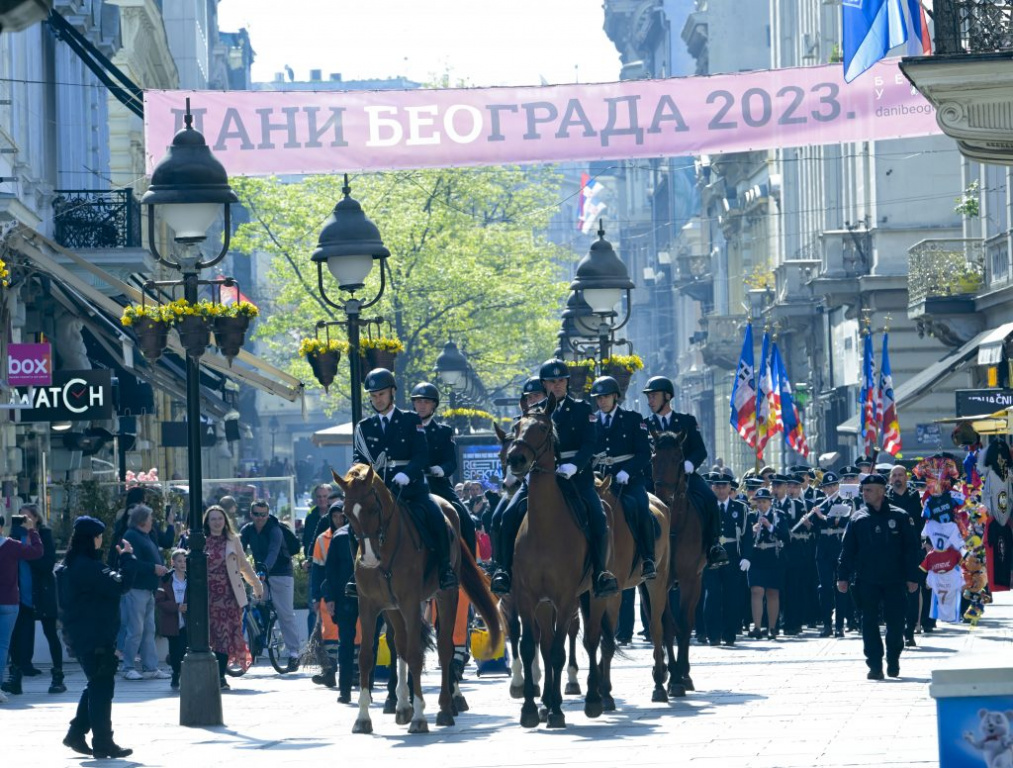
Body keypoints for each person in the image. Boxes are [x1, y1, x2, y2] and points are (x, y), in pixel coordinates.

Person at [491, 359, 619, 598]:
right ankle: (503, 571)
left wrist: (575, 465)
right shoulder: (534, 413)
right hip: (541, 479)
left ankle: (601, 573)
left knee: (598, 515)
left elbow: (590, 443)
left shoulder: (582, 409)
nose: (557, 385)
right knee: (506, 516)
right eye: (552, 381)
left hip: (576, 478)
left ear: (567, 382)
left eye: (561, 381)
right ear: (544, 384)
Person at [346, 368, 458, 596]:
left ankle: (445, 569)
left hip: (411, 489)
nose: (378, 400)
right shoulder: (364, 427)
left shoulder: (410, 420)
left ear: (392, 393)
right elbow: (359, 459)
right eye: (374, 395)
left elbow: (421, 455)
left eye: (382, 394)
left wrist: (407, 473)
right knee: (353, 525)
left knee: (436, 516)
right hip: (377, 491)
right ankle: (356, 574)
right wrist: (360, 477)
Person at [57, 516, 136, 758]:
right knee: (102, 687)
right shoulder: (89, 567)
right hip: (96, 636)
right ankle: (103, 742)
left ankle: (76, 733)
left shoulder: (67, 566)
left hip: (79, 634)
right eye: (100, 536)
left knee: (97, 683)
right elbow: (120, 585)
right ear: (93, 539)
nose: (102, 540)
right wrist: (127, 558)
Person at [837, 474, 921, 680]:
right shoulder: (858, 519)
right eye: (863, 490)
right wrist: (843, 577)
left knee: (895, 623)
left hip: (895, 579)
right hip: (867, 579)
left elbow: (912, 549)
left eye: (869, 490)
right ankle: (874, 664)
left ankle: (893, 659)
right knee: (868, 622)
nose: (864, 494)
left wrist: (913, 577)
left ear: (882, 491)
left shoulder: (900, 517)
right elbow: (847, 551)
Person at [641, 375, 728, 567]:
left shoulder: (686, 421)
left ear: (667, 397)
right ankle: (642, 552)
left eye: (654, 396)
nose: (650, 400)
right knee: (637, 503)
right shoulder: (644, 425)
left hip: (684, 476)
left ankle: (714, 545)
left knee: (709, 497)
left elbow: (700, 450)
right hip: (654, 479)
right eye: (648, 397)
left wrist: (689, 464)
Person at [590, 375, 656, 580]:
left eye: (606, 397)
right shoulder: (591, 422)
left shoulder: (632, 419)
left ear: (615, 397)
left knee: (640, 507)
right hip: (600, 478)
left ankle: (648, 558)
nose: (602, 401)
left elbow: (644, 453)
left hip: (629, 479)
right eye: (598, 398)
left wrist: (628, 471)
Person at [4, 504, 65, 695]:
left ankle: (57, 675)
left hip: (42, 592)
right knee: (16, 636)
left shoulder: (43, 534)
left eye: (27, 517)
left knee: (50, 633)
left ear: (36, 518)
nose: (23, 520)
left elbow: (47, 564)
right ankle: (17, 675)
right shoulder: (14, 536)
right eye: (19, 516)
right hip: (20, 593)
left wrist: (28, 552)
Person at [411, 381, 477, 556]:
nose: (422, 406)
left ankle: (470, 564)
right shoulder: (404, 430)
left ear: (434, 405)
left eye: (426, 402)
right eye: (418, 401)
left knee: (466, 519)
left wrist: (440, 469)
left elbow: (451, 462)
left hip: (437, 485)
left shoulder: (443, 431)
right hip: (410, 484)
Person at [206, 504, 263, 688]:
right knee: (210, 636)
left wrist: (256, 585)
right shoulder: (200, 540)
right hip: (207, 596)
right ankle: (209, 673)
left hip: (229, 596)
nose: (216, 522)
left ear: (225, 521)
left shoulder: (233, 540)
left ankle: (220, 676)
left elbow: (244, 565)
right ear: (207, 521)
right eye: (213, 519)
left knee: (225, 636)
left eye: (220, 518)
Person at [239, 500, 300, 671]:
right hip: (261, 574)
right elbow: (239, 551)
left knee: (285, 613)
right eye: (257, 514)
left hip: (281, 573)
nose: (260, 518)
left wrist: (264, 569)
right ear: (251, 514)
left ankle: (294, 654)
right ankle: (261, 632)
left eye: (263, 514)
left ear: (268, 514)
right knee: (253, 602)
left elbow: (273, 551)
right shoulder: (247, 530)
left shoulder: (275, 530)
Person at [120, 505, 171, 681]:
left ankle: (150, 667)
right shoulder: (131, 536)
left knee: (149, 629)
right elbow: (131, 563)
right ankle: (127, 667)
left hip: (147, 589)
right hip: (136, 589)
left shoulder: (145, 536)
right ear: (142, 520)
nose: (152, 521)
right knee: (136, 630)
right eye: (150, 518)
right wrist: (153, 568)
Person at [702, 473, 749, 645]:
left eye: (724, 486)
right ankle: (713, 635)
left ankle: (729, 634)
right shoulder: (706, 507)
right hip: (711, 557)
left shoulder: (740, 508)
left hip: (732, 557)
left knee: (731, 597)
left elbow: (747, 536)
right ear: (712, 488)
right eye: (717, 486)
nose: (721, 490)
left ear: (730, 488)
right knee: (712, 595)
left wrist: (747, 557)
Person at [0, 511, 42, 703]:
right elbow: (37, 551)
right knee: (3, 646)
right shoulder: (11, 546)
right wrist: (31, 529)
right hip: (9, 601)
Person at [323, 501, 359, 704]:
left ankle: (367, 686)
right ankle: (344, 689)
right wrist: (329, 598)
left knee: (370, 643)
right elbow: (330, 570)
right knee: (345, 642)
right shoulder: (340, 537)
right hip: (345, 596)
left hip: (373, 596)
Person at [809, 472, 854, 637]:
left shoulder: (845, 502)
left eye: (833, 485)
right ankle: (827, 624)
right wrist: (812, 518)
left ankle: (839, 625)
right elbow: (814, 527)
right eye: (827, 487)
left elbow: (841, 522)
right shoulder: (819, 503)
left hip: (839, 547)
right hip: (823, 549)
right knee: (825, 588)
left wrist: (823, 517)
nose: (830, 489)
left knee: (840, 586)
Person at [886, 465, 924, 647]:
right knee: (893, 593)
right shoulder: (884, 498)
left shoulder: (916, 497)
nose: (897, 478)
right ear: (890, 479)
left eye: (900, 475)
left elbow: (924, 521)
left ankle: (910, 631)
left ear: (906, 477)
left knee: (913, 591)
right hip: (890, 553)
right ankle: (896, 629)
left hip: (912, 551)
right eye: (894, 475)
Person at [743, 488, 787, 639]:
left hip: (772, 557)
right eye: (759, 502)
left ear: (770, 502)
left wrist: (769, 526)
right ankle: (756, 627)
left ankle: (772, 627)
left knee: (772, 592)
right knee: (756, 591)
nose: (761, 505)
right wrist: (752, 531)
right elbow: (744, 538)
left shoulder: (778, 516)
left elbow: (785, 536)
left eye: (764, 502)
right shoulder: (751, 516)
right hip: (756, 557)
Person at [310, 501, 345, 689]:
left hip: (350, 592)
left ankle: (355, 673)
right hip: (328, 592)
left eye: (342, 515)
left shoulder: (356, 535)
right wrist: (315, 596)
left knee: (357, 634)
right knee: (329, 634)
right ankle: (329, 672)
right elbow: (316, 570)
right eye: (335, 516)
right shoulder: (322, 540)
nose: (339, 519)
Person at [301, 483, 333, 637]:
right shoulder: (311, 517)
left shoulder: (338, 515)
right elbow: (308, 541)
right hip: (316, 566)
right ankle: (313, 647)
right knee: (313, 607)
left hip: (335, 567)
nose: (322, 500)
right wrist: (307, 560)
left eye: (325, 496)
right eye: (319, 497)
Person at [155, 549, 188, 690]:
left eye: (185, 561)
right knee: (175, 649)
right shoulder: (165, 580)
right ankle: (175, 673)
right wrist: (177, 607)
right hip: (172, 621)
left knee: (184, 648)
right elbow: (160, 601)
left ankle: (184, 673)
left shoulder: (192, 578)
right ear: (172, 562)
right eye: (179, 561)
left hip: (187, 622)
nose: (183, 564)